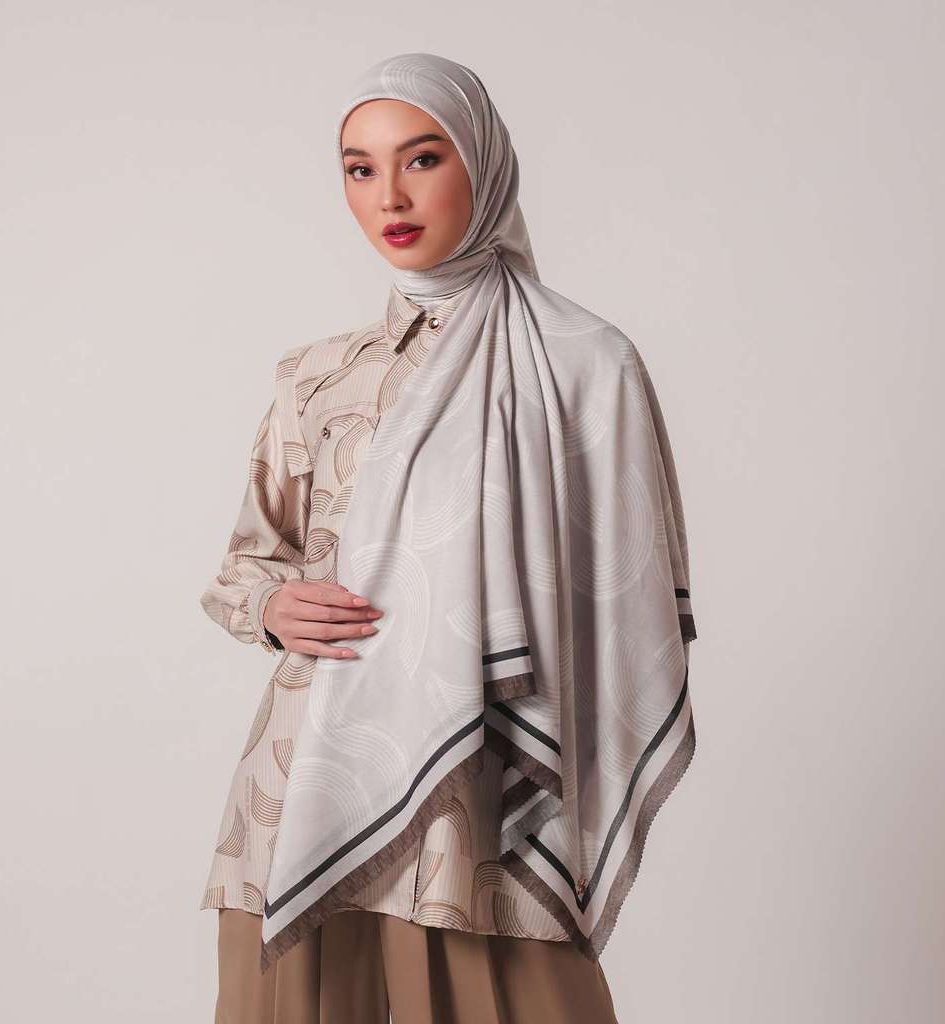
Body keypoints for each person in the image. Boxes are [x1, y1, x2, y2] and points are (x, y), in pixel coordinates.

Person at [198, 52, 698, 1024]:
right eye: (359, 168)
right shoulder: (317, 375)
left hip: (488, 798)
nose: (389, 195)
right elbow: (245, 565)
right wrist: (270, 603)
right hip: (307, 777)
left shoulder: (585, 364)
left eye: (421, 158)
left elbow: (626, 605)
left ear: (483, 161)